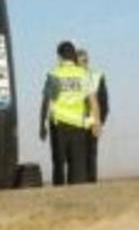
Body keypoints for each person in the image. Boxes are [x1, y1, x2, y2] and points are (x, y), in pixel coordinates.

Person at [39, 42, 101, 185]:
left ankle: (59, 198)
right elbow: (93, 101)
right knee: (78, 168)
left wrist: (41, 125)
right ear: (73, 56)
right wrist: (96, 123)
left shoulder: (54, 73)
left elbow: (46, 102)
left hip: (58, 125)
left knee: (59, 165)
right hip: (78, 127)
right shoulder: (83, 73)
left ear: (59, 57)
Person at [77, 48, 110, 183]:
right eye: (79, 61)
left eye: (84, 60)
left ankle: (91, 186)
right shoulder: (70, 78)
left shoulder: (96, 76)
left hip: (92, 123)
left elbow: (104, 103)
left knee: (90, 156)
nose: (82, 64)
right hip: (75, 123)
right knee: (76, 159)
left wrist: (99, 123)